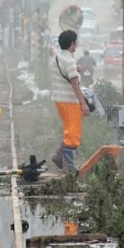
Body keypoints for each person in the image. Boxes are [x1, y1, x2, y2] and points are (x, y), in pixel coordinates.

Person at [50, 30, 90, 173]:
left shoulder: (56, 58)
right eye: (75, 41)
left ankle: (58, 155)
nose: (76, 44)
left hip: (59, 99)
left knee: (69, 130)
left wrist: (76, 69)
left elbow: (66, 74)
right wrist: (83, 103)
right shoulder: (70, 61)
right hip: (70, 101)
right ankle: (69, 165)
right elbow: (75, 84)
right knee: (73, 134)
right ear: (72, 44)